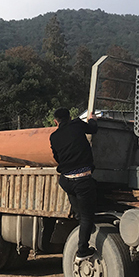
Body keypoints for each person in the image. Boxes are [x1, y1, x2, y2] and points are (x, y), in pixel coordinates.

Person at [49, 108, 98, 262]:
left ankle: (80, 218)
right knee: (87, 217)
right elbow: (92, 129)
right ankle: (82, 250)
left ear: (56, 122)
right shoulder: (77, 125)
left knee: (80, 213)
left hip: (66, 180)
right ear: (69, 117)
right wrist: (92, 119)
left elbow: (57, 157)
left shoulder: (54, 137)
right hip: (82, 181)